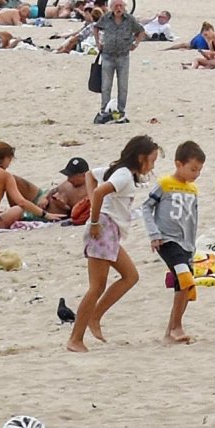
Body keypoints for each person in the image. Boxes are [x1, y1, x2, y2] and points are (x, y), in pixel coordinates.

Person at [68, 134, 161, 353]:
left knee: (130, 276)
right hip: (103, 230)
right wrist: (93, 218)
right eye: (152, 160)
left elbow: (91, 175)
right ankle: (75, 338)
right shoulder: (124, 176)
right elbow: (99, 190)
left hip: (110, 231)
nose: (154, 165)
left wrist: (94, 207)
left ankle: (95, 317)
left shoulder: (121, 172)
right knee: (96, 286)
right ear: (140, 158)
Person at [143, 140, 206, 344]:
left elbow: (192, 218)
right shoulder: (164, 184)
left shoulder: (193, 190)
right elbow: (146, 208)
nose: (196, 174)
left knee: (182, 287)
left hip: (186, 244)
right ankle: (177, 327)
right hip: (167, 241)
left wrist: (192, 245)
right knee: (186, 280)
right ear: (179, 164)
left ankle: (172, 329)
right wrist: (154, 234)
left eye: (199, 170)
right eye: (193, 169)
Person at [93, 0, 141, 125]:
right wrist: (98, 42)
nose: (118, 8)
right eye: (116, 6)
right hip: (107, 55)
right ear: (111, 7)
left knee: (123, 86)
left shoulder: (130, 19)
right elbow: (96, 28)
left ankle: (121, 111)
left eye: (121, 6)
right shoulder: (105, 18)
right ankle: (104, 111)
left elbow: (140, 31)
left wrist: (136, 44)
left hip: (123, 56)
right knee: (106, 85)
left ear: (124, 7)